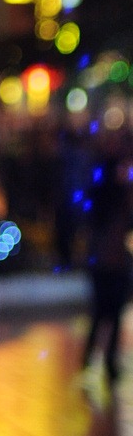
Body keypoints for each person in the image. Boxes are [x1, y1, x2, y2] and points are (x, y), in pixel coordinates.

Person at [80, 139, 133, 388]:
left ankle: (91, 359)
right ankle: (107, 363)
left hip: (101, 263)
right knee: (111, 314)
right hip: (114, 264)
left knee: (101, 314)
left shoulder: (99, 198)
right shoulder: (119, 199)